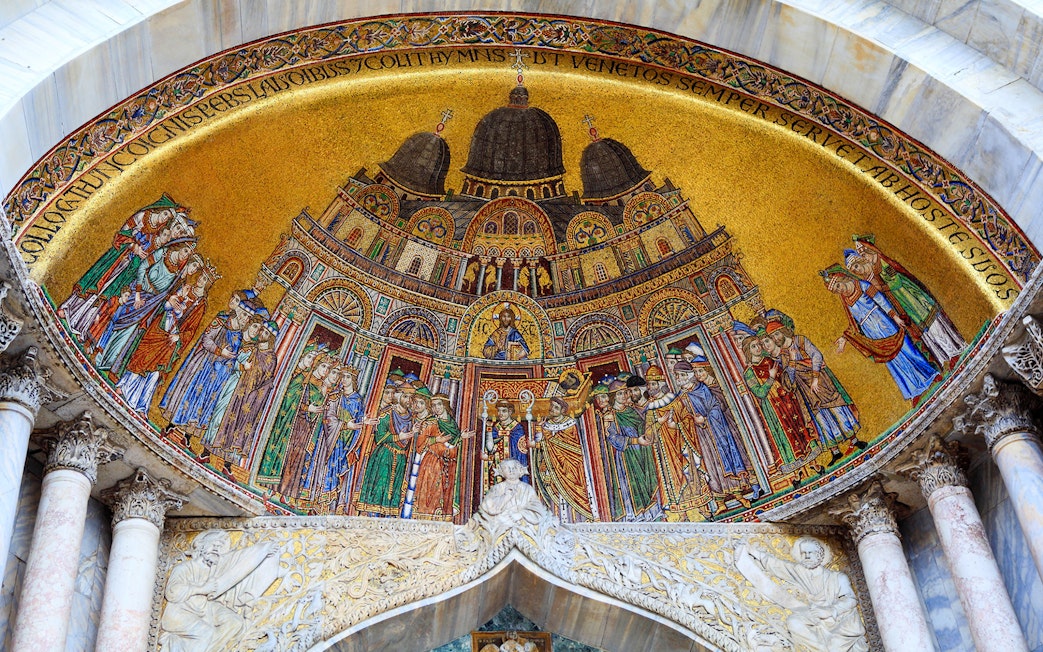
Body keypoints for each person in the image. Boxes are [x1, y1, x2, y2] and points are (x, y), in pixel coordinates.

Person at [823, 266, 940, 402]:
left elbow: (882, 301)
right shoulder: (846, 301)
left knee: (905, 347)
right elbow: (854, 323)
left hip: (883, 321)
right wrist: (844, 338)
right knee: (891, 359)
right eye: (835, 291)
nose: (839, 290)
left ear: (842, 279)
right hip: (871, 331)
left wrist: (894, 316)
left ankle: (930, 374)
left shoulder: (862, 285)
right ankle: (914, 390)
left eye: (837, 286)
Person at [850, 235, 965, 369]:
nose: (864, 258)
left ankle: (954, 351)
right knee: (921, 329)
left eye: (864, 254)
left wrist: (881, 287)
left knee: (930, 322)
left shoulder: (882, 262)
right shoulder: (873, 270)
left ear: (870, 250)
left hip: (909, 296)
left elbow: (896, 281)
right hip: (902, 303)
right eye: (861, 256)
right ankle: (946, 357)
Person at [735, 537, 868, 652]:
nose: (807, 556)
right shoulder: (800, 572)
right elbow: (779, 566)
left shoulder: (837, 577)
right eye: (804, 553)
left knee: (837, 640)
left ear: (820, 555)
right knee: (793, 622)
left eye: (811, 553)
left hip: (839, 618)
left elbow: (850, 600)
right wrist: (754, 552)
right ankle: (822, 649)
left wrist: (830, 611)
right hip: (814, 614)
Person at [158, 530, 280, 652]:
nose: (217, 549)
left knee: (234, 622)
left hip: (205, 609)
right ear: (201, 546)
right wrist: (202, 589)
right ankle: (180, 643)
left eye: (220, 547)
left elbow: (240, 560)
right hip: (179, 613)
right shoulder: (184, 568)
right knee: (205, 632)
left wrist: (262, 551)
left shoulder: (215, 569)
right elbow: (172, 593)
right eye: (214, 545)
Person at [255, 344, 321, 487]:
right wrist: (306, 407)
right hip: (279, 415)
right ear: (302, 356)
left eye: (313, 359)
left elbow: (297, 397)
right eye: (309, 357)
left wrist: (306, 407)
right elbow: (286, 393)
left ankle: (271, 482)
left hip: (289, 418)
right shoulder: (291, 372)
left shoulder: (304, 378)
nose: (310, 361)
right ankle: (263, 477)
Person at [356, 379, 416, 516]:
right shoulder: (387, 413)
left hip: (400, 458)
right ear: (398, 396)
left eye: (411, 397)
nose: (408, 400)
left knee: (394, 490)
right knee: (378, 487)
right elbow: (380, 437)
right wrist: (398, 437)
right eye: (405, 396)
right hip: (384, 456)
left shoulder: (412, 418)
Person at [412, 393, 474, 521]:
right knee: (431, 496)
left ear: (445, 405)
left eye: (439, 404)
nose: (436, 408)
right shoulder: (430, 423)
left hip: (449, 465)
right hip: (433, 463)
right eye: (433, 405)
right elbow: (419, 445)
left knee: (446, 497)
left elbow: (455, 443)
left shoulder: (453, 424)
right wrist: (436, 439)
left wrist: (461, 437)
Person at [531, 396, 593, 520]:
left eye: (556, 407)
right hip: (552, 466)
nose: (552, 409)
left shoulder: (570, 424)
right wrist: (539, 429)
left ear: (563, 410)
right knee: (555, 494)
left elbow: (572, 446)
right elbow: (540, 444)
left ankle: (579, 518)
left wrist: (546, 439)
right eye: (551, 406)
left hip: (570, 465)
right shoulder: (546, 425)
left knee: (574, 491)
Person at [483, 399, 529, 492]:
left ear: (510, 412)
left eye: (504, 411)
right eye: (499, 411)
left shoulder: (517, 429)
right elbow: (489, 447)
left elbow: (520, 451)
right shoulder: (495, 428)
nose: (500, 414)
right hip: (497, 464)